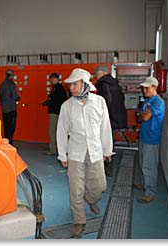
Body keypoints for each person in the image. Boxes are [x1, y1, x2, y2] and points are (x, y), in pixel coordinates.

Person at [57, 68, 113, 237]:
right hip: (75, 153)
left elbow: (105, 127)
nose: (72, 88)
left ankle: (91, 199)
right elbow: (61, 131)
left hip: (95, 151)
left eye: (75, 84)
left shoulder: (99, 102)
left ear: (85, 84)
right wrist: (62, 154)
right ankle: (79, 221)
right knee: (76, 189)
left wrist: (107, 150)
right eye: (70, 85)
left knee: (100, 185)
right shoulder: (67, 106)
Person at [134, 77, 165, 203]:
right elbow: (139, 117)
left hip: (151, 139)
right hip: (144, 136)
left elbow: (145, 117)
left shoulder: (158, 102)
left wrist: (142, 115)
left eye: (147, 88)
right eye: (143, 88)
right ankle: (144, 183)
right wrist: (142, 115)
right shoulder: (148, 101)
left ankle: (150, 192)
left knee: (149, 166)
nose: (144, 90)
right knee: (142, 163)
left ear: (154, 87)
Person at [94, 66, 127, 176]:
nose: (95, 77)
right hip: (116, 116)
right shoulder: (114, 83)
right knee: (110, 140)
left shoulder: (104, 84)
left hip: (109, 117)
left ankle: (106, 167)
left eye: (96, 74)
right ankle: (108, 165)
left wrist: (100, 116)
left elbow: (105, 101)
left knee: (105, 141)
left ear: (102, 73)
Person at [41, 72, 68, 155]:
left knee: (52, 131)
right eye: (50, 79)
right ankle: (56, 149)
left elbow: (58, 101)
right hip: (56, 112)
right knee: (55, 131)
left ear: (57, 79)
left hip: (55, 112)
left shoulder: (59, 89)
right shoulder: (56, 88)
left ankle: (53, 150)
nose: (51, 81)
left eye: (52, 79)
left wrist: (49, 102)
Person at [0, 69, 20, 145]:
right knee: (11, 127)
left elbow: (0, 97)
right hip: (11, 109)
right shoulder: (12, 84)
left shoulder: (2, 85)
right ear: (12, 76)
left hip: (4, 109)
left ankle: (6, 142)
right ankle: (10, 143)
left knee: (6, 127)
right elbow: (15, 96)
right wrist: (18, 98)